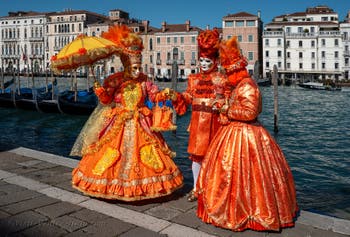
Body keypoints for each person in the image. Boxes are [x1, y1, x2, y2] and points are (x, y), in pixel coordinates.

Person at [70, 25, 183, 201]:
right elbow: (106, 101)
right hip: (119, 121)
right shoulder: (115, 80)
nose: (138, 72)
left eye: (139, 67)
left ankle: (141, 187)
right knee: (111, 152)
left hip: (140, 121)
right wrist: (101, 92)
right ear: (126, 65)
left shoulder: (144, 80)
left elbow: (153, 96)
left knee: (148, 153)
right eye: (134, 68)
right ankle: (111, 185)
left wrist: (166, 94)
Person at [196, 37, 298, 231]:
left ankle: (247, 212)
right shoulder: (239, 85)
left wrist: (225, 108)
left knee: (246, 176)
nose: (226, 74)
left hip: (247, 134)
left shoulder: (247, 86)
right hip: (235, 132)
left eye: (228, 70)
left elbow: (250, 112)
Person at [170, 28, 229, 202]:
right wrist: (176, 96)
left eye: (207, 60)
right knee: (196, 158)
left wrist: (219, 101)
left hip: (215, 123)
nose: (203, 64)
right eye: (201, 60)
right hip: (197, 124)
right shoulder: (193, 79)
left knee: (215, 157)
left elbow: (226, 101)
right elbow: (188, 97)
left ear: (215, 61)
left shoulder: (221, 79)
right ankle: (196, 188)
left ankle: (212, 189)